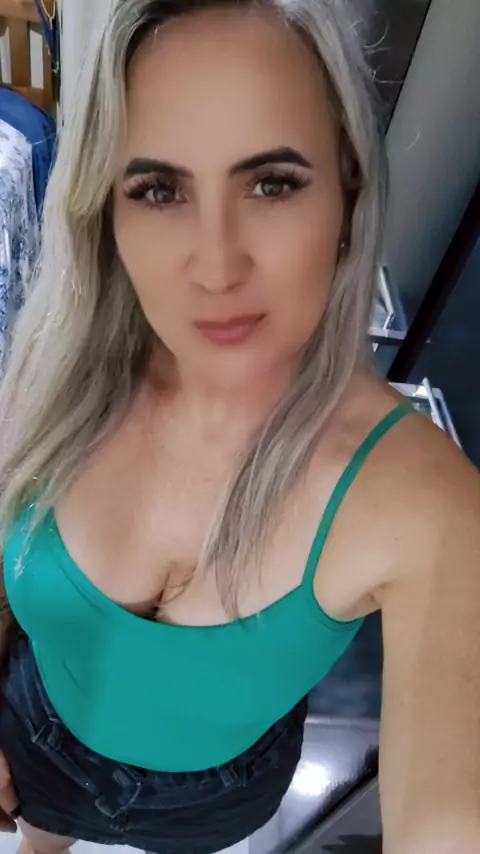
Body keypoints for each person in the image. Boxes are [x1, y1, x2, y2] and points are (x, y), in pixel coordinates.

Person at [0, 0, 479, 852]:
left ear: (348, 194)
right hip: (33, 739)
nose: (217, 267)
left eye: (272, 183)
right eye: (159, 189)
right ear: (107, 210)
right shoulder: (54, 359)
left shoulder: (426, 504)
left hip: (211, 803)